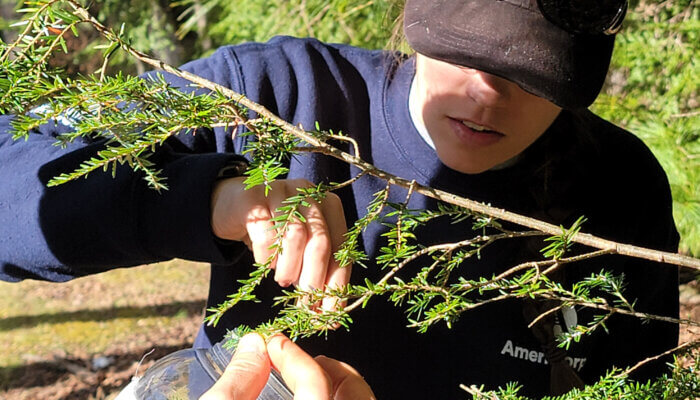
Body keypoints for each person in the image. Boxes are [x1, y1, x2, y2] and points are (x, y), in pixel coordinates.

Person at [0, 0, 679, 398]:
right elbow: (16, 182)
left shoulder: (620, 190)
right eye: (467, 54)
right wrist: (215, 197)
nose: (487, 95)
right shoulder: (277, 93)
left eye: (534, 73)